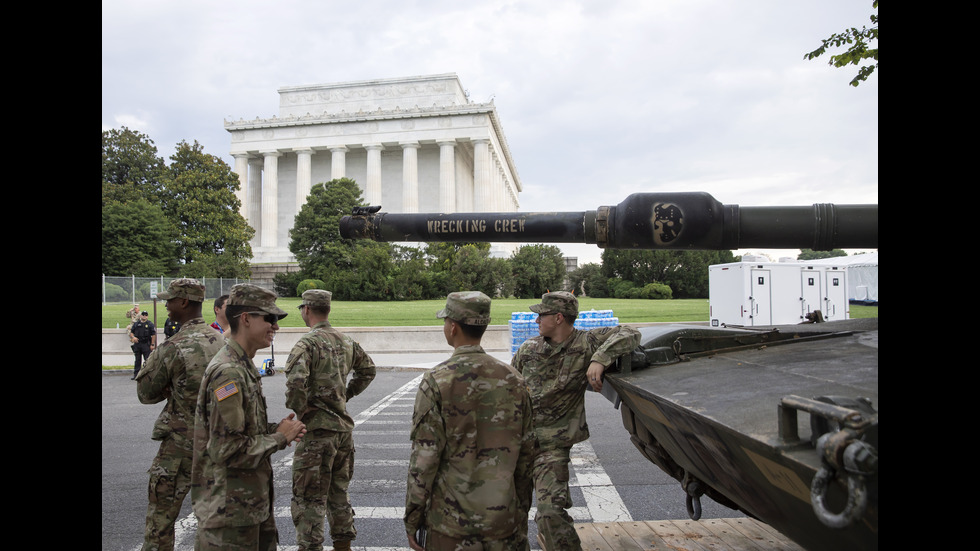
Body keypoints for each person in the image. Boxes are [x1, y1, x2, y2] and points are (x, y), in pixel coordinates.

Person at [405, 291, 536, 551]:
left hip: (450, 527)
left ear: (452, 327)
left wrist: (413, 517)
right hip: (502, 522)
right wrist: (518, 515)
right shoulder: (514, 379)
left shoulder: (436, 381)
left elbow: (424, 460)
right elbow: (527, 456)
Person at [511, 291, 641, 551]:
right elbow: (509, 390)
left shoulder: (587, 343)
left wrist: (599, 359)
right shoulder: (528, 349)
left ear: (559, 318)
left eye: (542, 315)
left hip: (553, 444)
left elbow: (631, 333)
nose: (536, 320)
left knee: (550, 512)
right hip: (519, 442)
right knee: (509, 514)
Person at [191, 283, 307, 551]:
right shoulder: (229, 371)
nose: (275, 326)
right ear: (245, 319)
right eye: (270, 318)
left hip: (247, 510)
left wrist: (275, 428)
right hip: (229, 519)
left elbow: (241, 430)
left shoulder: (242, 364)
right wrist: (279, 437)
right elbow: (227, 450)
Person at [135, 278, 224, 551]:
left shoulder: (174, 346)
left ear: (184, 302)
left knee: (161, 520)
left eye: (170, 300)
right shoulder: (222, 342)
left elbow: (146, 394)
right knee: (212, 521)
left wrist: (172, 387)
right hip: (216, 443)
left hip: (179, 446)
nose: (166, 305)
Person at [285, 289, 377, 551]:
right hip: (342, 431)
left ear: (306, 310)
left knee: (308, 499)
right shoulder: (346, 341)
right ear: (327, 309)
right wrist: (345, 395)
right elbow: (368, 370)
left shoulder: (307, 344)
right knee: (339, 495)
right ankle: (343, 546)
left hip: (316, 432)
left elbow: (295, 382)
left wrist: (299, 411)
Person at [130, 311, 157, 380]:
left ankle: (148, 375)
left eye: (146, 315)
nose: (144, 316)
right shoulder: (136, 324)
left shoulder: (150, 324)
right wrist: (133, 337)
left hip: (146, 344)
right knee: (137, 360)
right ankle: (136, 375)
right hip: (138, 344)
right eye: (143, 315)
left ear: (147, 316)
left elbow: (153, 335)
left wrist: (152, 344)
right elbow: (131, 333)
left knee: (147, 360)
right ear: (140, 316)